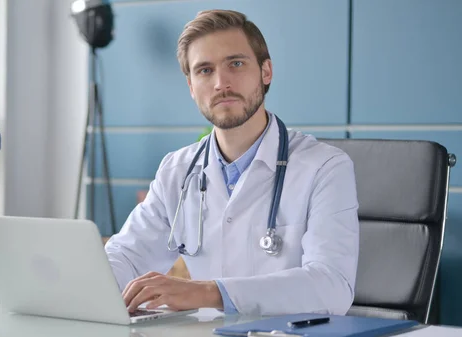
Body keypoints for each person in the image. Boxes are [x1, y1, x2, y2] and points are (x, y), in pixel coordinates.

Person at [104, 9, 359, 317]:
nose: (220, 83)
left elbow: (332, 287)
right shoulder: (177, 171)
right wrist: (86, 282)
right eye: (204, 71)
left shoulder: (325, 167)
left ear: (266, 72)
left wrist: (210, 292)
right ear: (190, 87)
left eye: (235, 64)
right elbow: (127, 256)